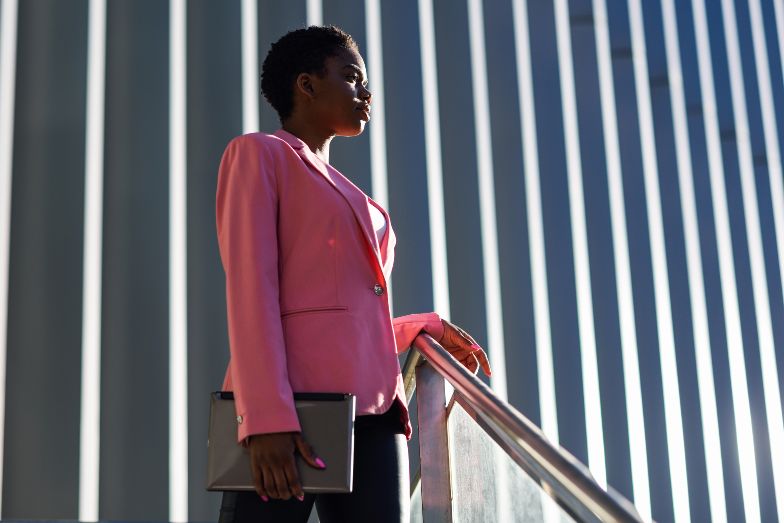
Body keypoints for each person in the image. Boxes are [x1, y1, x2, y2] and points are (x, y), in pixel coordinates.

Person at [215, 25, 492, 523]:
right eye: (351, 77)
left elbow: (338, 312)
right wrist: (264, 417)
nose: (366, 93)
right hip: (290, 409)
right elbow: (250, 290)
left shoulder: (362, 200)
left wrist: (417, 328)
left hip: (377, 413)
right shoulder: (261, 155)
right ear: (307, 84)